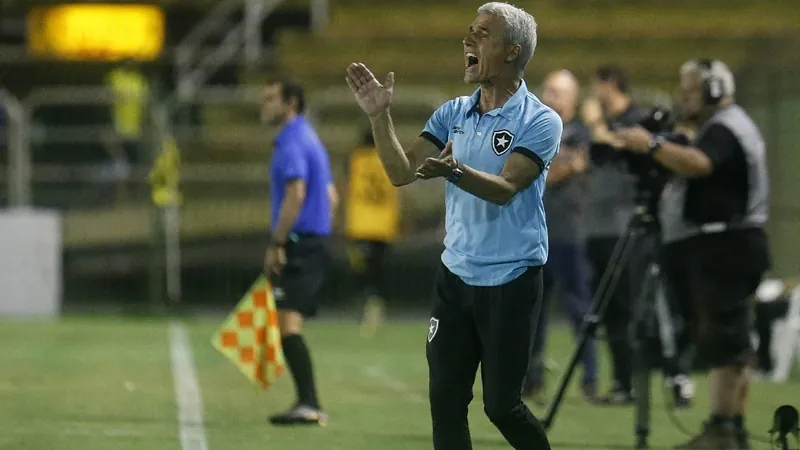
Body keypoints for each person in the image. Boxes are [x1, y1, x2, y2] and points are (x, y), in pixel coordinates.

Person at [347, 3, 559, 449]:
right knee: (445, 402)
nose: (468, 40)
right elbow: (401, 173)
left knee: (501, 407)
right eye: (469, 32)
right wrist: (378, 116)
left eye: (482, 34)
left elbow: (505, 188)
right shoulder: (452, 113)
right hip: (456, 276)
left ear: (511, 51)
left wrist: (455, 171)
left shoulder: (540, 121)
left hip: (512, 277)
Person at [614, 58, 770, 450]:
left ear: (714, 90)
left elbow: (700, 164)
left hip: (727, 246)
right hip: (729, 245)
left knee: (725, 339)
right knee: (728, 340)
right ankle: (728, 428)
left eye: (689, 91)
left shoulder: (724, 127)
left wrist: (650, 145)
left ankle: (722, 429)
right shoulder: (728, 126)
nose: (684, 99)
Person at [261, 77, 339, 426]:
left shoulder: (292, 140)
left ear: (290, 103)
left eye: (270, 99)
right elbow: (332, 197)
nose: (263, 105)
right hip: (313, 240)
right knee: (285, 322)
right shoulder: (310, 137)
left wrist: (278, 242)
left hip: (300, 241)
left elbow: (296, 194)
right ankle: (306, 401)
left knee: (288, 325)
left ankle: (309, 403)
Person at [524, 69, 597, 404]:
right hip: (536, 234)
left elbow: (549, 171)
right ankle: (531, 380)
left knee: (580, 309)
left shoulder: (582, 132)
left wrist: (544, 170)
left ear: (572, 99)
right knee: (532, 312)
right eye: (547, 89)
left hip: (570, 233)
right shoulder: (536, 129)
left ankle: (590, 380)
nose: (548, 96)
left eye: (555, 91)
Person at [580, 64, 643, 404]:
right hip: (597, 229)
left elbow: (616, 147)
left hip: (625, 228)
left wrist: (594, 123)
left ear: (611, 85)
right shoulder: (602, 128)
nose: (593, 96)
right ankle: (622, 383)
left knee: (626, 308)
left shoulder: (636, 120)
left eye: (596, 87)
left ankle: (639, 381)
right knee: (608, 313)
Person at [344, 125, 402, 338]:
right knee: (378, 271)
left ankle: (368, 306)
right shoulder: (389, 159)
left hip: (360, 225)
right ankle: (375, 307)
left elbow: (346, 188)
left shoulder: (356, 159)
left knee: (361, 271)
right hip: (384, 226)